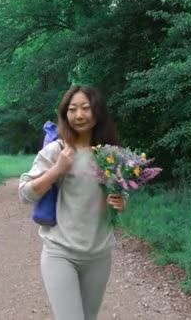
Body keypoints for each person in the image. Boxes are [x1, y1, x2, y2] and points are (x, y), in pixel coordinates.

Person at [18, 85, 125, 320]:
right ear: (65, 113)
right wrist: (57, 170)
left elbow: (120, 194)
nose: (79, 115)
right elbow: (25, 192)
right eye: (72, 109)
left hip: (99, 254)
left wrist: (119, 202)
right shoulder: (57, 151)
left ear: (97, 112)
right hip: (60, 253)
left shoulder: (110, 155)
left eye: (86, 108)